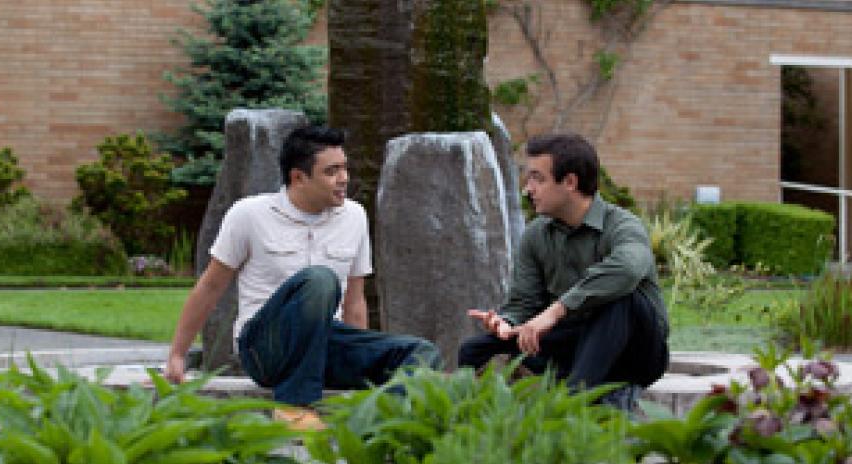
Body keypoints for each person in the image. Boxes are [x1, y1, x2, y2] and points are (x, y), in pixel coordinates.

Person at [166, 125, 440, 429]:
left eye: (345, 168)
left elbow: (355, 299)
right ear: (298, 177)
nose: (344, 179)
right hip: (265, 348)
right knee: (319, 281)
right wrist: (178, 354)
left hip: (324, 343)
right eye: (332, 171)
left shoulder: (354, 217)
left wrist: (355, 350)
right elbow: (211, 286)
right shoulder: (249, 214)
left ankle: (377, 422)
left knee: (421, 352)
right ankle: (293, 405)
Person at [458, 133, 669, 409]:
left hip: (635, 353)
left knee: (621, 298)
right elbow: (524, 302)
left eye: (538, 178)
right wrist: (507, 323)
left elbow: (629, 268)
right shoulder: (536, 234)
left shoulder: (622, 226)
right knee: (473, 348)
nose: (528, 189)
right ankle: (474, 418)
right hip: (573, 344)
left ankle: (573, 403)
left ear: (570, 182)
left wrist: (556, 310)